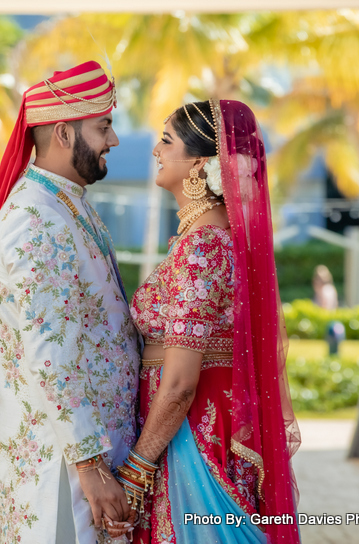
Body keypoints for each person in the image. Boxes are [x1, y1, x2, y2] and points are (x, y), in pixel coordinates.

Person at [0, 61, 140, 543]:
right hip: (65, 468)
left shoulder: (64, 204)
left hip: (86, 455)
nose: (113, 141)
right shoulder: (35, 219)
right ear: (62, 133)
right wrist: (90, 467)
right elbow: (50, 354)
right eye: (103, 128)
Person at [116, 100, 302, 543]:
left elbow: (180, 383)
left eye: (166, 141)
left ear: (199, 162)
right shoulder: (214, 239)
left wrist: (136, 469)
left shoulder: (203, 248)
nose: (156, 152)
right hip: (199, 422)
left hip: (191, 437)